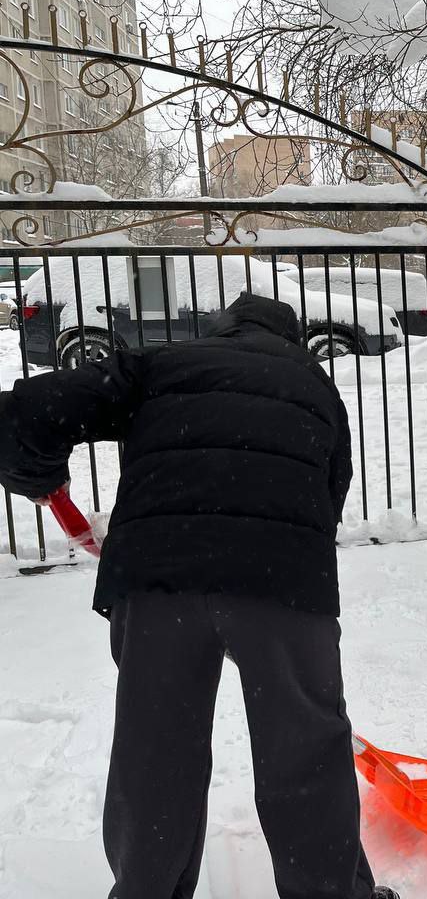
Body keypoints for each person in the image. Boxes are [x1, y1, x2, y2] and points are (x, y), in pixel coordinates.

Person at [0, 294, 398, 899]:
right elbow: (328, 497)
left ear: (220, 329)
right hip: (282, 580)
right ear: (289, 341)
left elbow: (24, 413)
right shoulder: (315, 386)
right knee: (306, 751)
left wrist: (42, 480)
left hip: (159, 576)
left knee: (155, 748)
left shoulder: (161, 364)